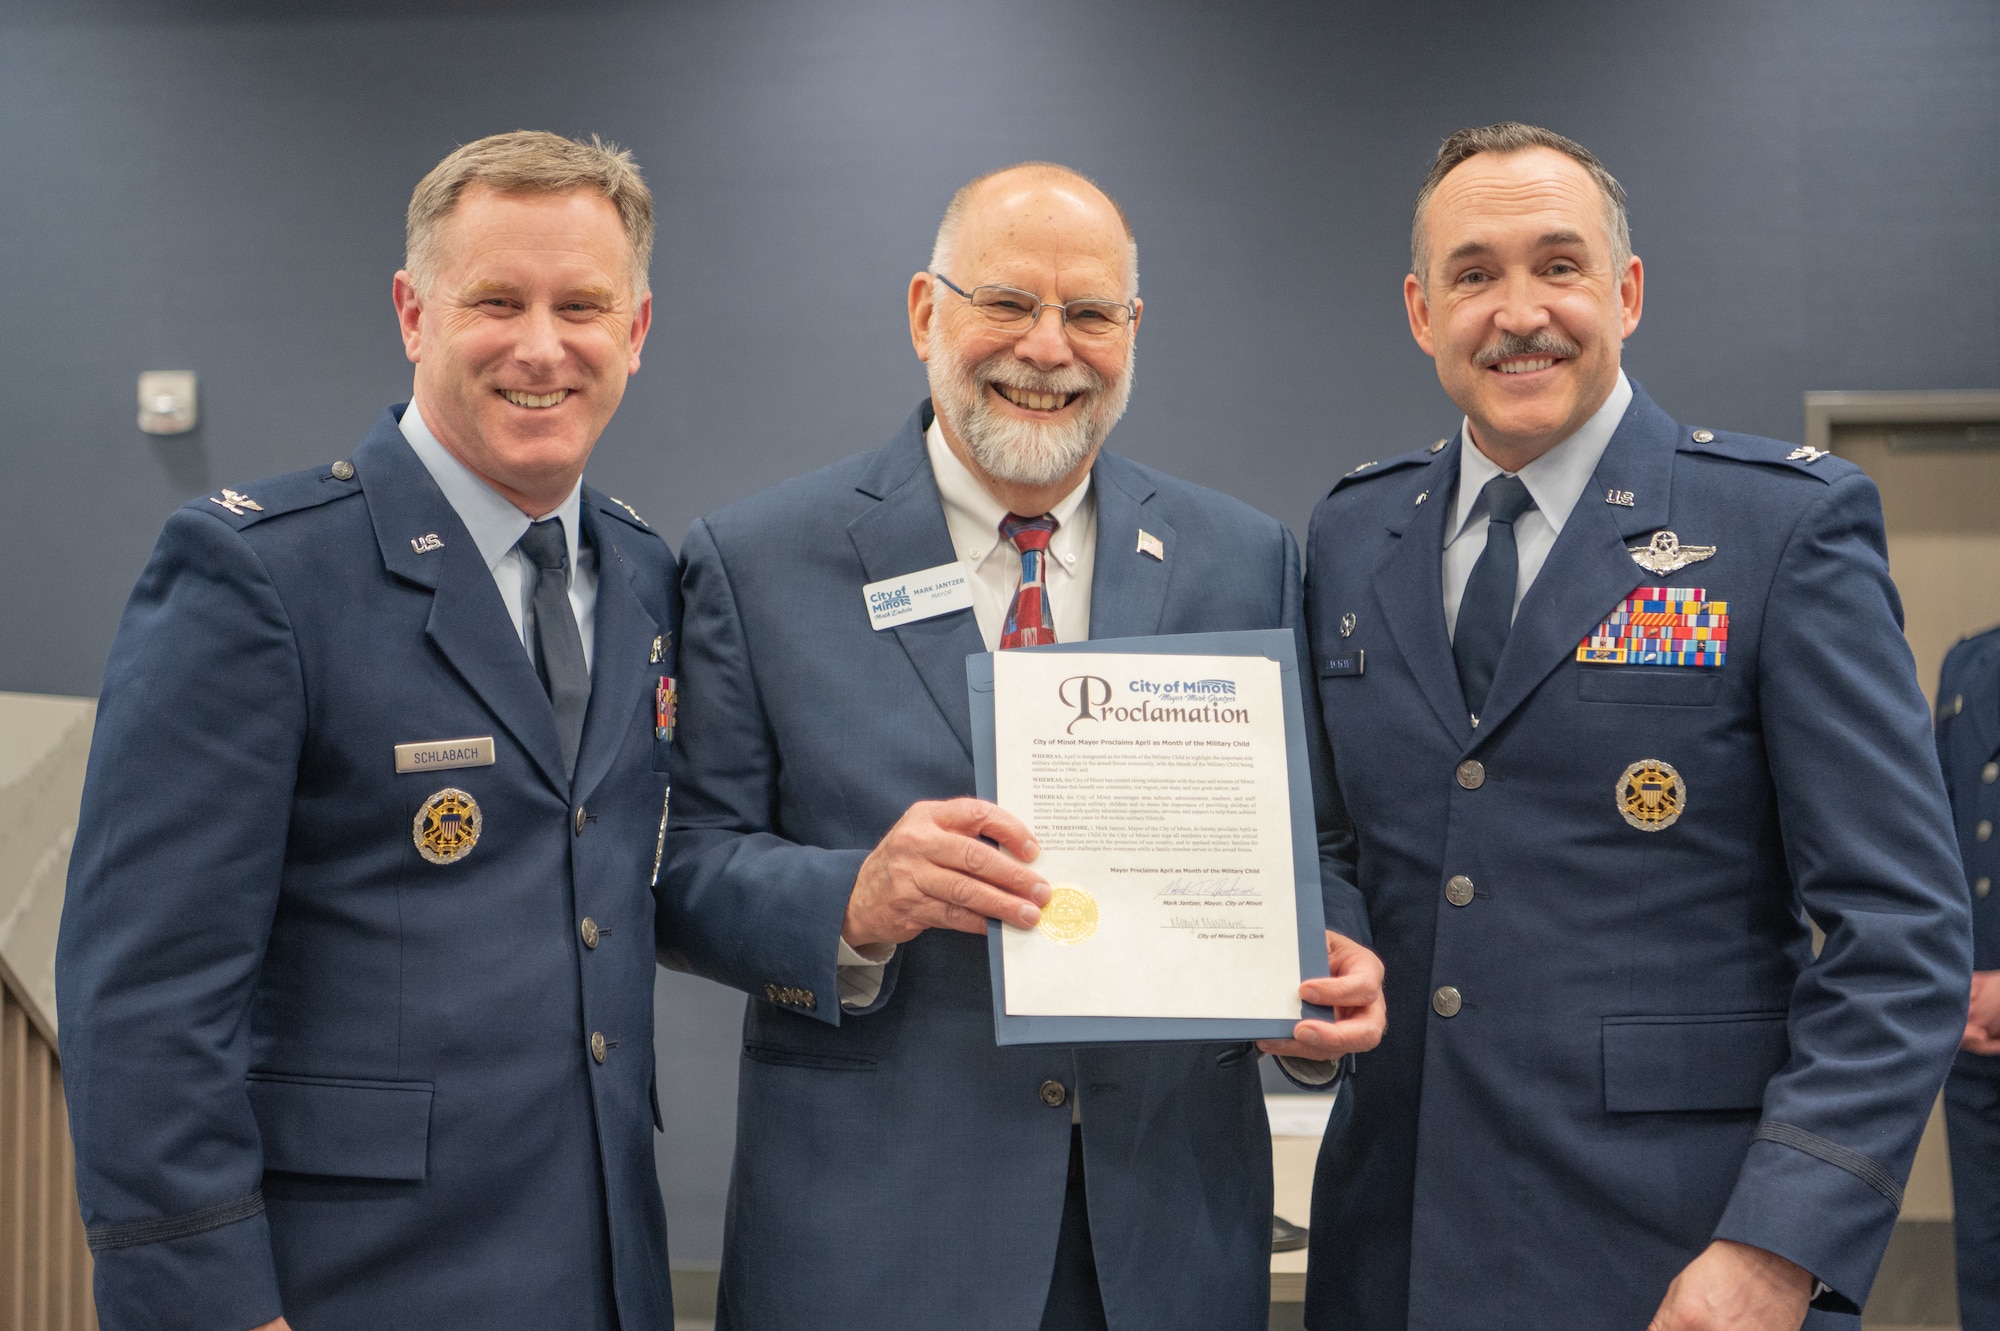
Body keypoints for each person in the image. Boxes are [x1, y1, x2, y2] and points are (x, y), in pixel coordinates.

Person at [657, 161, 1385, 1331]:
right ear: (922, 312)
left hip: (1165, 1239)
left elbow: (1314, 840)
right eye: (1006, 302)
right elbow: (683, 868)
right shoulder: (758, 560)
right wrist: (851, 898)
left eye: (1089, 313)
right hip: (874, 1241)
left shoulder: (1240, 556)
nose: (1047, 348)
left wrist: (1319, 950)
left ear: (1131, 331)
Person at [1298, 122, 1971, 1330]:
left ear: (1627, 291)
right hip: (1392, 1247)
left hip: (1681, 1258)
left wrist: (1777, 1244)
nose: (1518, 311)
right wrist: (1315, 959)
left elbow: (1900, 931)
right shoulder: (1353, 534)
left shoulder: (1776, 531)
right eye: (1472, 273)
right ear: (1418, 309)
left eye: (1557, 265)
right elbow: (1342, 842)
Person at [57, 131, 679, 1331]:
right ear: (412, 311)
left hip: (598, 1266)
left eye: (583, 305)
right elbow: (144, 995)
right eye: (495, 299)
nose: (541, 345)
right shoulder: (260, 574)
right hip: (348, 1281)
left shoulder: (644, 572)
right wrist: (209, 1303)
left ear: (637, 330)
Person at [1935, 630, 2000, 1329]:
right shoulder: (1969, 662)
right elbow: (1939, 831)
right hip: (1970, 1013)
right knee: (1983, 1251)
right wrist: (1946, 979)